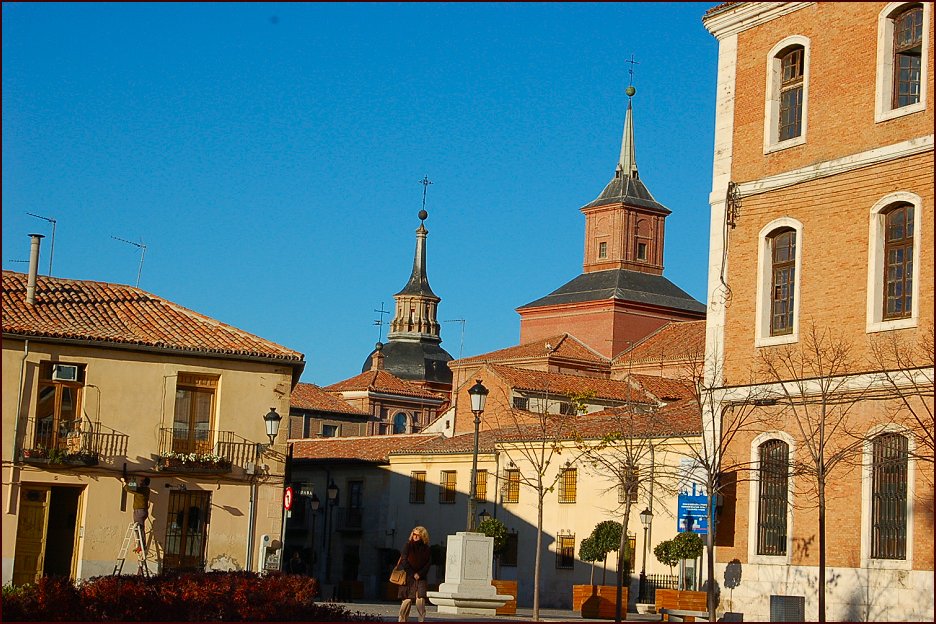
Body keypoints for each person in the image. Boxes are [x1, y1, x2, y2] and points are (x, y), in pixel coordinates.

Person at [398, 526, 431, 622]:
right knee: (407, 600)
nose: (415, 536)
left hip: (421, 578)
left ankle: (421, 620)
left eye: (418, 535)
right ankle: (402, 620)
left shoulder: (426, 548)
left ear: (422, 536)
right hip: (408, 576)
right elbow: (403, 560)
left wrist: (420, 574)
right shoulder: (408, 546)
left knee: (420, 600)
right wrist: (412, 573)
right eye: (414, 534)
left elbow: (428, 563)